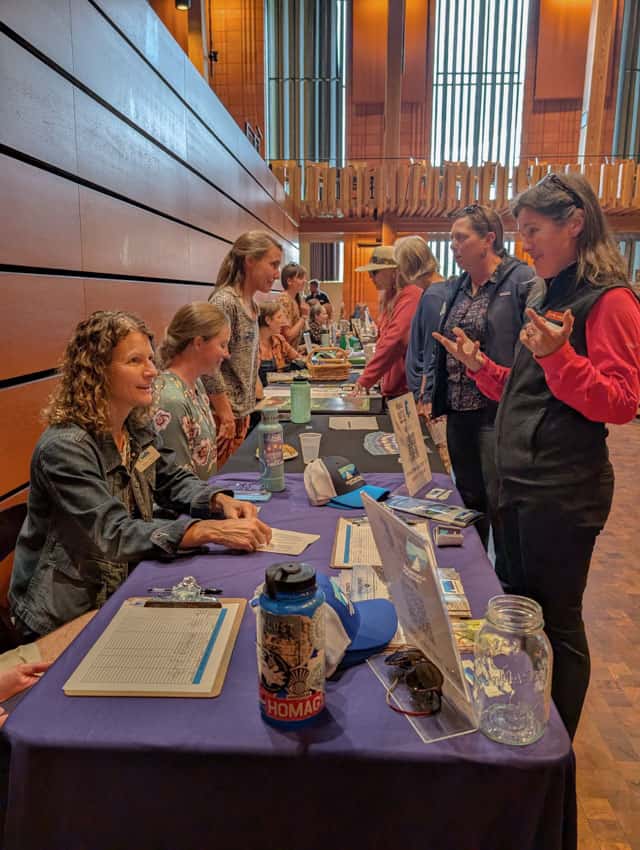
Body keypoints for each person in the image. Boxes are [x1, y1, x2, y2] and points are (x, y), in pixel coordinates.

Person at [434, 172, 640, 738]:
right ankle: (523, 719)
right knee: (518, 608)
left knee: (559, 623)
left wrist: (559, 359)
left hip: (563, 490)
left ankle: (557, 749)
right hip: (519, 483)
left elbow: (621, 403)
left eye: (533, 230)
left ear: (574, 225)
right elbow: (529, 389)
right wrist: (482, 368)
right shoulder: (546, 291)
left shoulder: (612, 301)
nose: (525, 244)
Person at [9, 311, 272, 639]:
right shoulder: (65, 448)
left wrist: (217, 501)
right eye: (135, 361)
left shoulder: (135, 423)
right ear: (96, 370)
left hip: (122, 585)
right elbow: (113, 533)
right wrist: (206, 531)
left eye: (150, 358)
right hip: (64, 615)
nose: (151, 371)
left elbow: (169, 479)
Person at [425, 205, 535, 575]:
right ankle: (473, 573)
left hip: (495, 410)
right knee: (468, 498)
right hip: (459, 409)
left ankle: (504, 581)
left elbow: (529, 353)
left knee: (499, 502)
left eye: (461, 237)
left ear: (489, 240)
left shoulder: (521, 281)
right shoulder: (458, 286)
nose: (453, 245)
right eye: (451, 237)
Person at [203, 231, 283, 467]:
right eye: (273, 264)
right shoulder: (225, 302)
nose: (277, 273)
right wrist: (225, 412)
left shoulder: (253, 306)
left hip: (242, 413)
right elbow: (209, 363)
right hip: (224, 416)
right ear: (250, 261)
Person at [153, 303, 230, 481]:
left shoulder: (197, 385)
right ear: (198, 343)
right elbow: (177, 482)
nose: (227, 354)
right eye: (222, 345)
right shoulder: (171, 401)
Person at [351, 245, 422, 399]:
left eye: (374, 272)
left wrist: (366, 379)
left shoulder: (411, 296)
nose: (371, 277)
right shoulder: (391, 298)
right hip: (395, 389)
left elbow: (394, 341)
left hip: (405, 391)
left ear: (393, 271)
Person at [393, 236, 446, 412]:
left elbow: (433, 349)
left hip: (425, 396)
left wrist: (425, 395)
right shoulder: (433, 292)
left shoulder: (433, 296)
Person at [258, 302, 305, 385]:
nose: (283, 322)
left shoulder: (279, 340)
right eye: (279, 317)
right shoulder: (252, 345)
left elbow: (299, 358)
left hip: (277, 389)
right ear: (268, 320)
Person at [278, 262, 309, 347]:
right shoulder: (284, 300)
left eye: (304, 278)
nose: (304, 281)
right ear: (289, 281)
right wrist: (304, 317)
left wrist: (303, 347)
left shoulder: (295, 300)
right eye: (300, 278)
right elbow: (288, 336)